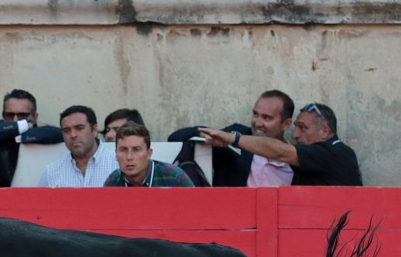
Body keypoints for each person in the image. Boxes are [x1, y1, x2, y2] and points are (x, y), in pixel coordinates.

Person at [199, 102, 362, 186]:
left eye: (303, 128)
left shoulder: (335, 152)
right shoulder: (321, 156)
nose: (296, 135)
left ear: (325, 131)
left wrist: (233, 139)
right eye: (296, 127)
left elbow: (281, 152)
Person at [169, 90, 296, 187]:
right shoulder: (236, 137)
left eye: (267, 118)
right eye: (255, 114)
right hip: (231, 218)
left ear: (286, 124)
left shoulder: (297, 160)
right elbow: (175, 138)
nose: (257, 123)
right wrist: (204, 134)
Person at [0, 88, 62, 187]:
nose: (15, 120)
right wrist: (26, 125)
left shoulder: (41, 131)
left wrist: (26, 131)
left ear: (35, 117)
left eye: (22, 115)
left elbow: (60, 134)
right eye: (9, 115)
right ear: (3, 116)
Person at [104, 122, 194, 187]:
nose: (129, 157)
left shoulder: (173, 176)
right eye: (123, 150)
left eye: (136, 150)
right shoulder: (113, 182)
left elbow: (197, 208)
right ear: (116, 154)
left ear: (149, 153)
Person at [38, 105, 110, 187]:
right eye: (66, 131)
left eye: (79, 128)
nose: (73, 135)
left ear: (94, 130)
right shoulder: (51, 173)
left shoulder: (118, 165)